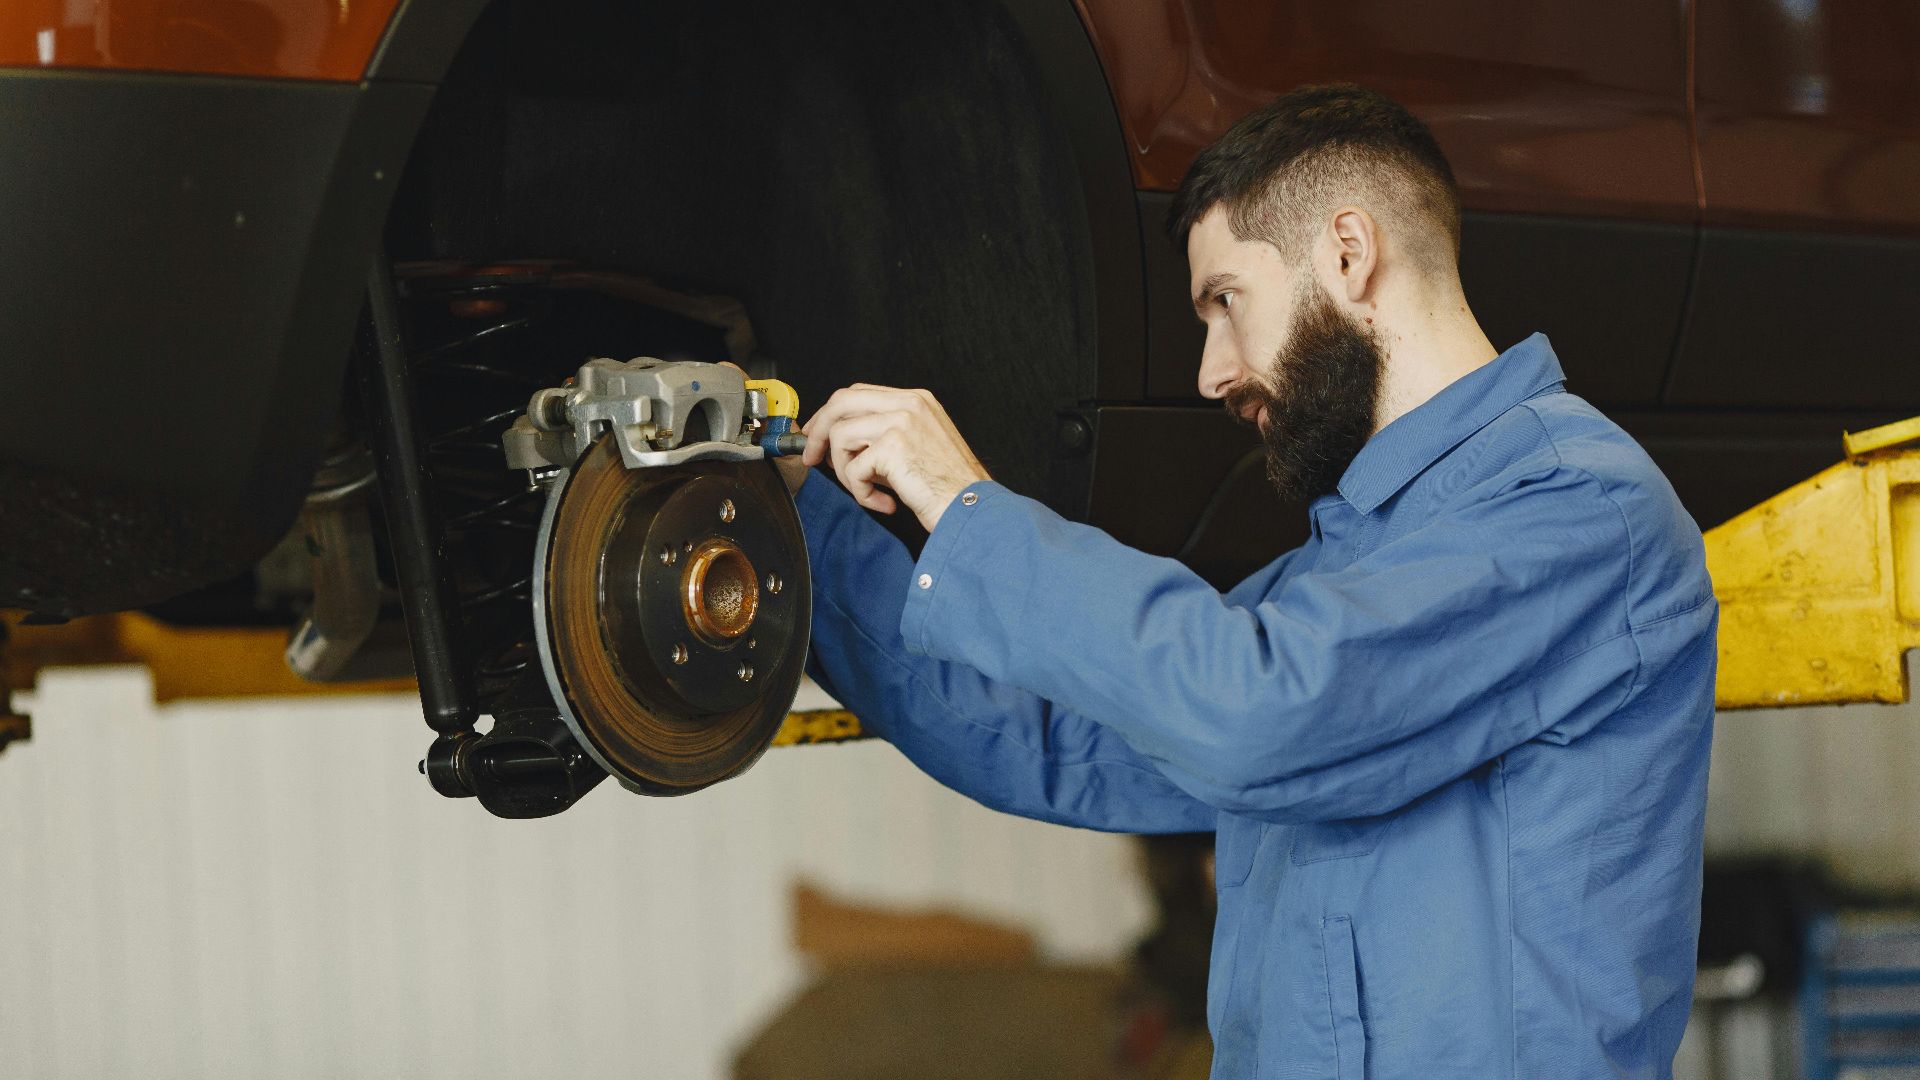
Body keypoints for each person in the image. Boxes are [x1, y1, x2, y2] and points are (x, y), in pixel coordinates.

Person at [777, 83, 1716, 1079]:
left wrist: (969, 505)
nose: (1211, 371)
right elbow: (1051, 737)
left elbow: (1261, 709)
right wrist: (794, 518)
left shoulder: (1573, 510)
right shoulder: (1337, 578)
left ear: (1349, 254)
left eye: (1226, 302)